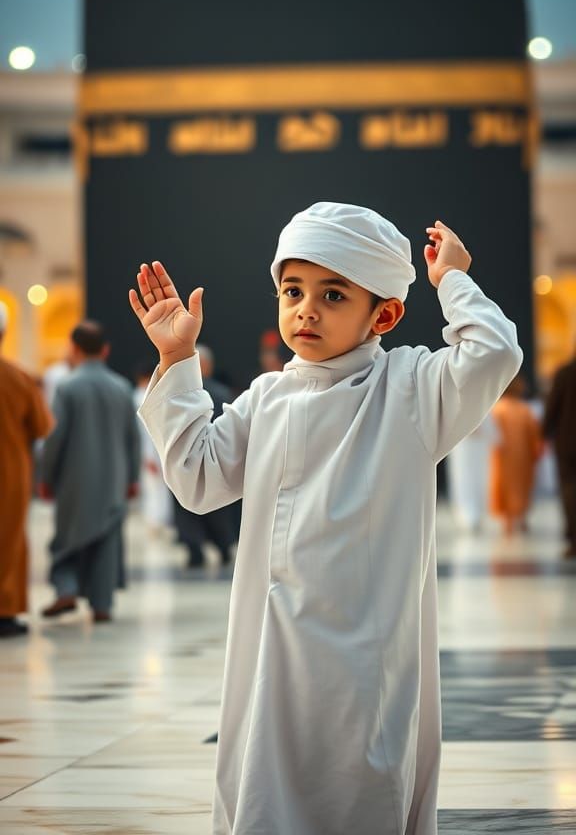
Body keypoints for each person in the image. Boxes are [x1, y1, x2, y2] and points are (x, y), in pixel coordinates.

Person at [129, 203, 522, 835]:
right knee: (264, 790)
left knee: (358, 792)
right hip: (270, 647)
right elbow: (198, 481)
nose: (305, 310)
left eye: (333, 294)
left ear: (384, 314)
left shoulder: (413, 387)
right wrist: (177, 359)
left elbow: (494, 351)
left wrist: (451, 279)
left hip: (363, 655)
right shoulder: (268, 397)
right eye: (293, 291)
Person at [40, 321, 140, 622]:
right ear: (105, 349)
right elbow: (132, 438)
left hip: (75, 480)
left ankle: (66, 589)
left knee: (69, 537)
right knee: (107, 541)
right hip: (113, 479)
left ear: (74, 348)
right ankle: (102, 604)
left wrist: (45, 476)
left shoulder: (67, 387)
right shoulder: (121, 387)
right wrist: (132, 478)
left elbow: (55, 438)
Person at [0, 303, 53, 637]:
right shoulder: (18, 378)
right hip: (9, 472)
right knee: (9, 539)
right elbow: (42, 426)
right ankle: (4, 609)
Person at [171, 344, 238, 565]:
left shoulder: (178, 394)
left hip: (184, 460)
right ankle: (223, 546)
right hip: (217, 459)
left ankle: (194, 550)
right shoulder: (221, 392)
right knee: (219, 509)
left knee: (186, 507)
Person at [489, 375, 542, 536]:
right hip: (523, 457)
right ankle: (522, 518)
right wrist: (534, 451)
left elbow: (493, 435)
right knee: (523, 487)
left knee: (504, 487)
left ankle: (508, 522)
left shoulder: (498, 408)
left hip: (503, 456)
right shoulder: (525, 409)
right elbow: (534, 434)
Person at [133, 360, 173, 533]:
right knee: (157, 488)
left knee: (153, 487)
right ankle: (157, 521)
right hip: (154, 449)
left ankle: (156, 521)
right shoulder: (144, 397)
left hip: (147, 449)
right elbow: (146, 431)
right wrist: (149, 455)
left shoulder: (136, 395)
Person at [543, 352, 576, 557]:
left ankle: (573, 540)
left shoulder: (564, 373)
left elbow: (552, 405)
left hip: (566, 443)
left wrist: (545, 432)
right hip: (566, 444)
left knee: (569, 491)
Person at [446, 413, 498, 532]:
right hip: (461, 446)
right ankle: (466, 515)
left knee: (479, 479)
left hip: (478, 446)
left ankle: (477, 514)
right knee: (463, 480)